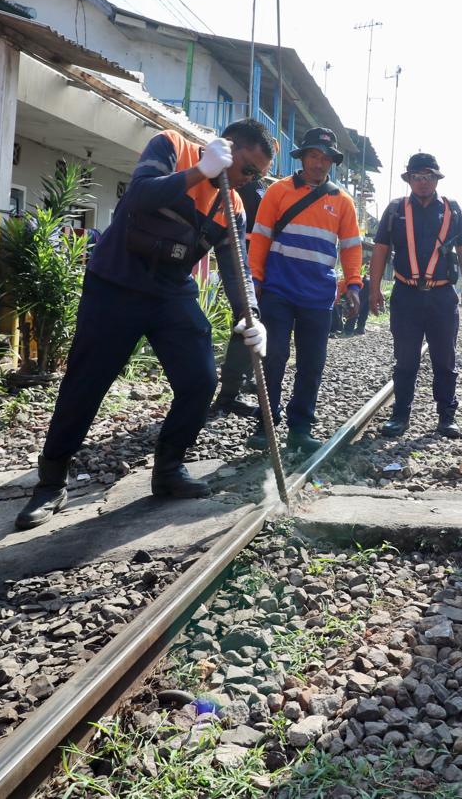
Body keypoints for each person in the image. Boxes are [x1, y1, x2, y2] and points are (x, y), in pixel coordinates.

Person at [14, 120, 273, 531]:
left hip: (171, 291)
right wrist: (199, 172)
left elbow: (235, 265)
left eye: (256, 175)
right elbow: (137, 197)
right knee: (86, 382)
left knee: (200, 379)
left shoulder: (234, 206)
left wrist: (251, 315)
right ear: (227, 147)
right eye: (247, 168)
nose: (249, 180)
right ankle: (50, 482)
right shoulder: (173, 147)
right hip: (116, 281)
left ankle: (168, 469)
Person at [246, 127, 362, 454]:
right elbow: (260, 238)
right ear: (303, 157)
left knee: (312, 363)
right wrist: (254, 281)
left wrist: (353, 284)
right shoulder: (278, 192)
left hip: (318, 295)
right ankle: (265, 422)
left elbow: (351, 248)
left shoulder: (343, 201)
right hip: (278, 291)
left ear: (331, 163)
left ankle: (301, 427)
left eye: (326, 158)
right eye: (314, 155)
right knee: (274, 356)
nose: (319, 163)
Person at [370, 153, 462, 438]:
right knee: (405, 359)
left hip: (442, 296)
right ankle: (400, 415)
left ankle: (446, 416)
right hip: (406, 295)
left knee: (445, 358)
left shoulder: (452, 209)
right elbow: (380, 249)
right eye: (417, 177)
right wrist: (374, 286)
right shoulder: (395, 210)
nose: (423, 182)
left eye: (428, 176)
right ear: (409, 180)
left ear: (437, 178)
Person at [212, 176, 267, 417]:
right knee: (243, 328)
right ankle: (228, 394)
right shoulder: (240, 184)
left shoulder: (260, 186)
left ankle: (245, 380)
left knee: (254, 328)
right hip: (243, 264)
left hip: (254, 265)